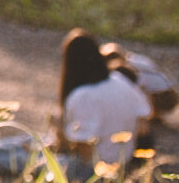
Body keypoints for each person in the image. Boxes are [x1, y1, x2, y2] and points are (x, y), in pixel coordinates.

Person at [58, 26, 177, 166]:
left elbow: (84, 152)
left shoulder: (81, 95)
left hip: (96, 168)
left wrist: (61, 135)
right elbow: (143, 124)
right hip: (124, 159)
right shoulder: (121, 79)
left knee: (32, 157)